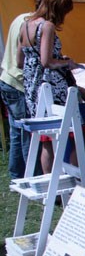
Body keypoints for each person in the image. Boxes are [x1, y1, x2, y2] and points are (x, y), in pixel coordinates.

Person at [16, 0, 85, 173]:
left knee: (47, 139)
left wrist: (54, 58)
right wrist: (66, 63)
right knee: (79, 133)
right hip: (52, 88)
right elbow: (46, 61)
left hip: (33, 88)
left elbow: (19, 61)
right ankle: (75, 179)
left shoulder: (25, 25)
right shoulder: (47, 26)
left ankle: (51, 183)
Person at [1, 9, 33, 179]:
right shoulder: (30, 25)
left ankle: (16, 175)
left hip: (7, 78)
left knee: (16, 131)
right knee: (26, 132)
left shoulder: (20, 18)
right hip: (18, 83)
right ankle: (30, 176)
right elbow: (22, 60)